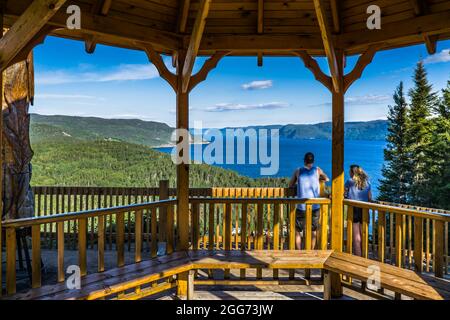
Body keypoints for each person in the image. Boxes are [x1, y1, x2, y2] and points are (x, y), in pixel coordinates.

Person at [289, 152, 329, 250]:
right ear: (313, 161)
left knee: (298, 230)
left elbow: (290, 185)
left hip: (301, 206)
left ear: (304, 160)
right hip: (315, 205)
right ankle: (310, 251)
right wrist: (318, 178)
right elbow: (327, 179)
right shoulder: (317, 170)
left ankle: (299, 251)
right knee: (313, 230)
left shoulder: (298, 171)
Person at [344, 164, 372, 256]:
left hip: (354, 209)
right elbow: (369, 197)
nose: (348, 173)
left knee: (356, 235)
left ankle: (358, 257)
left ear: (352, 172)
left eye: (349, 171)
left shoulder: (350, 181)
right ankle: (365, 255)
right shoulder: (367, 182)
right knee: (363, 233)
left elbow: (343, 193)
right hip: (365, 209)